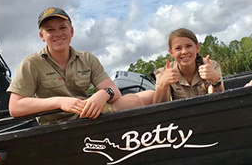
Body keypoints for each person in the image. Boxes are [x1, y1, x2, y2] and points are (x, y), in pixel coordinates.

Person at [8, 7, 154, 124]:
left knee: (148, 96)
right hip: (55, 126)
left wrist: (103, 94)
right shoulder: (31, 63)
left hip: (88, 114)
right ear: (42, 36)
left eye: (62, 28)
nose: (58, 33)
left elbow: (114, 90)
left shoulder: (87, 59)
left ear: (71, 31)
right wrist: (60, 102)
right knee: (135, 101)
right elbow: (15, 107)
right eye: (50, 30)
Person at [153, 28, 224, 103]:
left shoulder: (211, 66)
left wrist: (215, 80)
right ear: (171, 53)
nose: (184, 52)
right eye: (178, 48)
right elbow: (159, 108)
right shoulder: (163, 73)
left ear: (197, 48)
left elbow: (221, 102)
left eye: (188, 46)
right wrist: (162, 85)